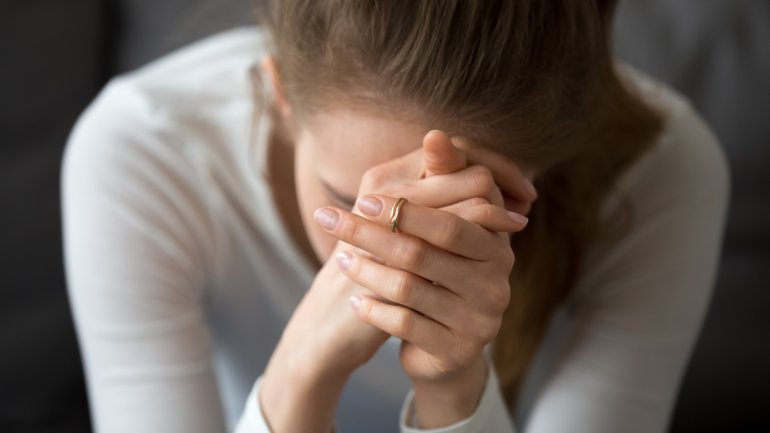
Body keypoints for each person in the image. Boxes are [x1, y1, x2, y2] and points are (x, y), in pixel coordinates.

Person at [61, 1, 729, 432]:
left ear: (549, 166)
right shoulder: (143, 152)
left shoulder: (662, 169)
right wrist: (297, 381)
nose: (399, 256)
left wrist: (454, 389)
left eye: (474, 208)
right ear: (280, 95)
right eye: (355, 203)